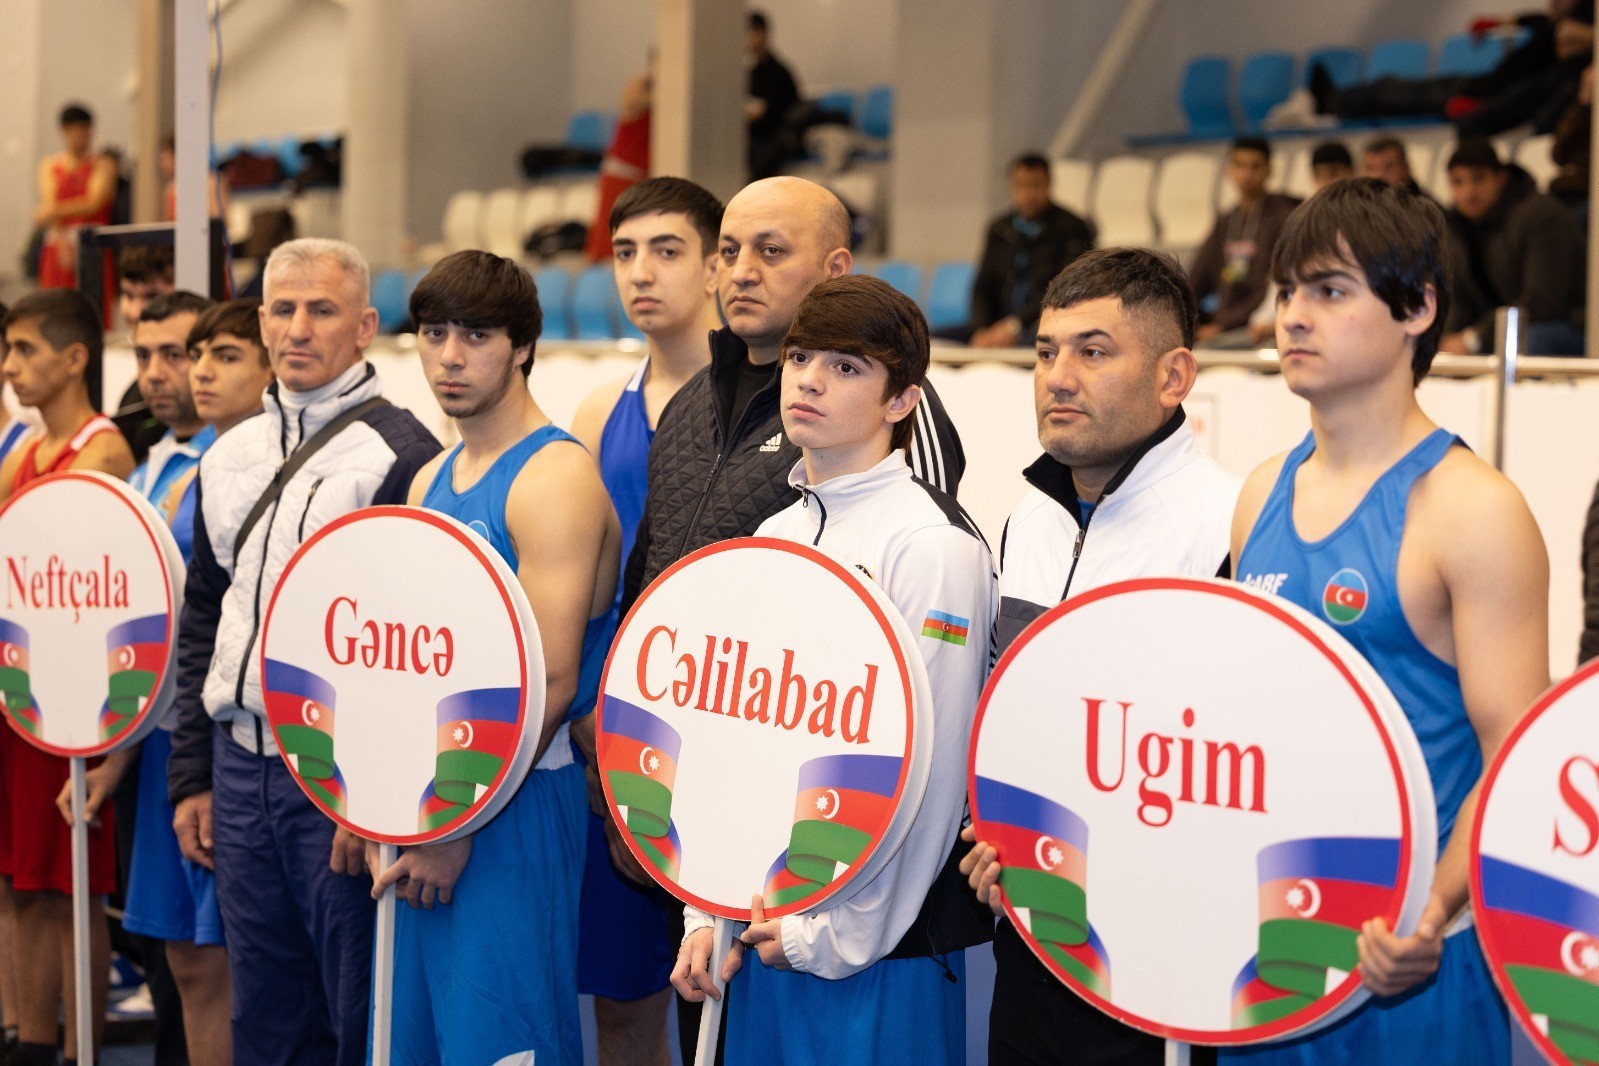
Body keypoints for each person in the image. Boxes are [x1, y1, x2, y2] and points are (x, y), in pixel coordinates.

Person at [624, 174, 965, 1064]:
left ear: (901, 401)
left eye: (845, 368)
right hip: (757, 928)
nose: (810, 381)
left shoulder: (930, 548)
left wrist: (837, 933)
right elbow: (727, 732)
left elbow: (924, 781)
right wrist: (708, 901)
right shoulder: (777, 529)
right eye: (804, 360)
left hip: (863, 952)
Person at [1223, 177, 1549, 1064]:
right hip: (1274, 944)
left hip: (1409, 960)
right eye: (1287, 291)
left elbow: (1513, 757)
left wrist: (1429, 914)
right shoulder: (1258, 493)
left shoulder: (1471, 510)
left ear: (1417, 309)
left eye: (1329, 291)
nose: (1292, 316)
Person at [958, 248, 1239, 1064]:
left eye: (1093, 350)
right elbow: (1011, 713)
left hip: (1161, 962)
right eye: (1045, 353)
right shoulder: (1027, 519)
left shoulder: (1230, 522)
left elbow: (1222, 767)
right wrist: (993, 831)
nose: (1058, 377)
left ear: (1173, 375)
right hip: (1028, 933)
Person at [165, 238, 440, 1066]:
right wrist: (192, 777)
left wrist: (371, 794)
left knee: (354, 1003)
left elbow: (412, 651)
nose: (298, 328)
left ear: (363, 327)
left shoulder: (403, 455)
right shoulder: (229, 454)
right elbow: (205, 619)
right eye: (282, 309)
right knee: (267, 1011)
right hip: (236, 766)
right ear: (260, 320)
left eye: (321, 309)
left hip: (331, 776)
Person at [362, 250, 620, 1065]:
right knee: (416, 1043)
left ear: (521, 346)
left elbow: (550, 679)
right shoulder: (431, 475)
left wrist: (456, 820)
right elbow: (410, 663)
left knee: (499, 1045)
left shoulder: (552, 477)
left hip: (510, 799)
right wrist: (374, 798)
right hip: (436, 796)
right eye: (434, 333)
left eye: (475, 335)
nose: (449, 354)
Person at [569, 176, 724, 1066]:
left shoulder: (775, 406)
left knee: (723, 995)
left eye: (667, 251)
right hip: (617, 728)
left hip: (723, 713)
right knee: (623, 999)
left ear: (713, 266)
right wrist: (590, 709)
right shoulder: (599, 411)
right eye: (625, 253)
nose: (641, 273)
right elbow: (591, 587)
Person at [0, 290, 136, 1066]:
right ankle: (25, 1031)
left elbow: (40, 553)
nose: (11, 366)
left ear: (74, 356)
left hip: (74, 684)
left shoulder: (102, 449)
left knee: (66, 881)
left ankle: (77, 1044)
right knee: (17, 875)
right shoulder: (23, 451)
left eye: (24, 349)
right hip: (23, 677)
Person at [1307, 1, 1594, 135]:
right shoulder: (1548, 22)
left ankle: (1333, 102)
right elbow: (1529, 20)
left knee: (1396, 94)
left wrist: (1482, 107)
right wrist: (1494, 23)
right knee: (1392, 89)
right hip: (1479, 84)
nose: (1553, 3)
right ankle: (1338, 100)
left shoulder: (1576, 35)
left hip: (1481, 97)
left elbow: (1565, 40)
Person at [1439, 137, 1586, 356]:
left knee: (1530, 340)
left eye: (1478, 179)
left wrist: (1475, 338)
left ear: (1500, 178)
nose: (1468, 192)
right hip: (1500, 330)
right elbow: (1460, 303)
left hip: (1569, 326)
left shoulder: (1541, 216)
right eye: (1458, 182)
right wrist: (1443, 342)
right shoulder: (1457, 227)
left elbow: (1544, 303)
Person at [963, 154, 1095, 349]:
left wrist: (1015, 324)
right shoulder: (1000, 228)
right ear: (1011, 185)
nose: (1029, 193)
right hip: (997, 323)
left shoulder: (1073, 227)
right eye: (1022, 185)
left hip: (1042, 321)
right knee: (933, 339)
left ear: (1050, 184)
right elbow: (983, 285)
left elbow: (1063, 288)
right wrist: (980, 328)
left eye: (1036, 185)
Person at [1190, 138, 1301, 347]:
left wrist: (1222, 325)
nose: (1247, 174)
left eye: (1255, 166)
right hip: (1220, 323)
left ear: (1269, 170)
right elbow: (1197, 278)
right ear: (1229, 169)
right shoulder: (1226, 221)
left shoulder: (1283, 217)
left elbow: (1272, 287)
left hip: (1257, 325)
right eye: (1240, 165)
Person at [33, 104, 118, 291]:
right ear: (65, 131)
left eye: (87, 130)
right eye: (78, 130)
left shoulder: (103, 164)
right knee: (54, 306)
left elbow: (93, 203)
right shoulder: (50, 165)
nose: (84, 136)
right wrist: (62, 239)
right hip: (58, 247)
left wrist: (52, 211)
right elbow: (50, 199)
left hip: (91, 244)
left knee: (92, 303)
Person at [584, 65, 654, 263]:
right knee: (606, 242)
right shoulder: (640, 85)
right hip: (621, 175)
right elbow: (634, 103)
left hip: (643, 178)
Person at [747, 11, 802, 180]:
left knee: (754, 150)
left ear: (763, 33)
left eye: (751, 33)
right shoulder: (753, 72)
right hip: (758, 134)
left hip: (777, 135)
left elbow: (777, 112)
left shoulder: (779, 72)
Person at [1361, 138, 1432, 200]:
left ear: (1406, 168)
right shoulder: (1358, 206)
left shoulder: (1426, 209)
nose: (1379, 176)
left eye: (1389, 167)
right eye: (1371, 168)